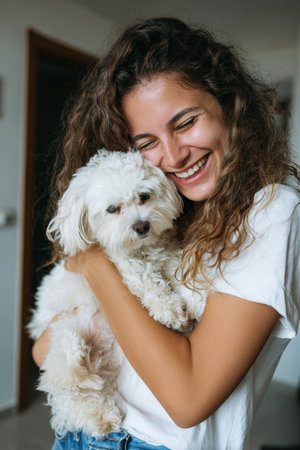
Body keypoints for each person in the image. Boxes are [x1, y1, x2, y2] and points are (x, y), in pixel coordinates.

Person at [32, 17, 300, 450]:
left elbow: (188, 399)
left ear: (229, 105)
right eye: (146, 143)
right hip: (80, 435)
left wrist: (97, 265)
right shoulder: (171, 214)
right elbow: (43, 351)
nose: (173, 157)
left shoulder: (272, 212)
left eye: (186, 122)